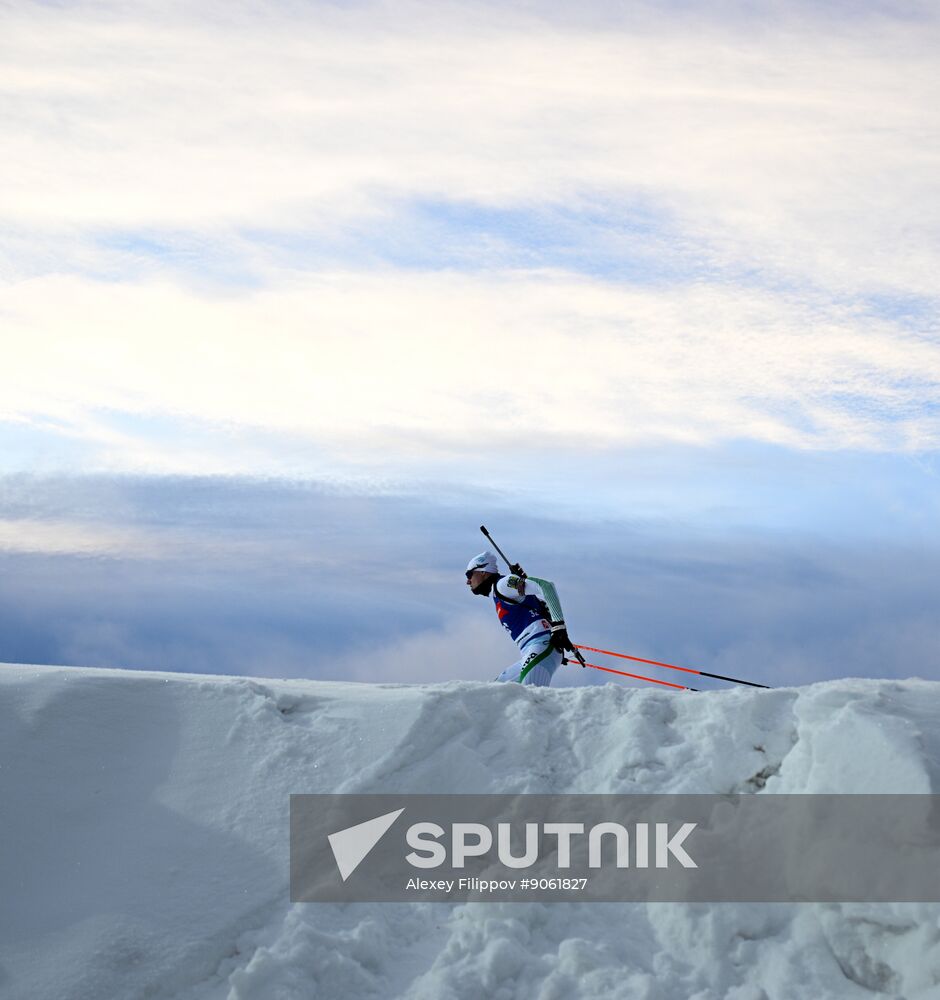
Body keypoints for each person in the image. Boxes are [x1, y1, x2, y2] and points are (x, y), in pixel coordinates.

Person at [465, 550, 574, 687]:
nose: (468, 581)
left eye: (469, 574)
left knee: (530, 698)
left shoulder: (502, 584)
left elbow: (546, 586)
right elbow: (538, 607)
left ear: (483, 571)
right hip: (532, 650)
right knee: (492, 693)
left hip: (541, 645)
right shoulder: (498, 592)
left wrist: (559, 626)